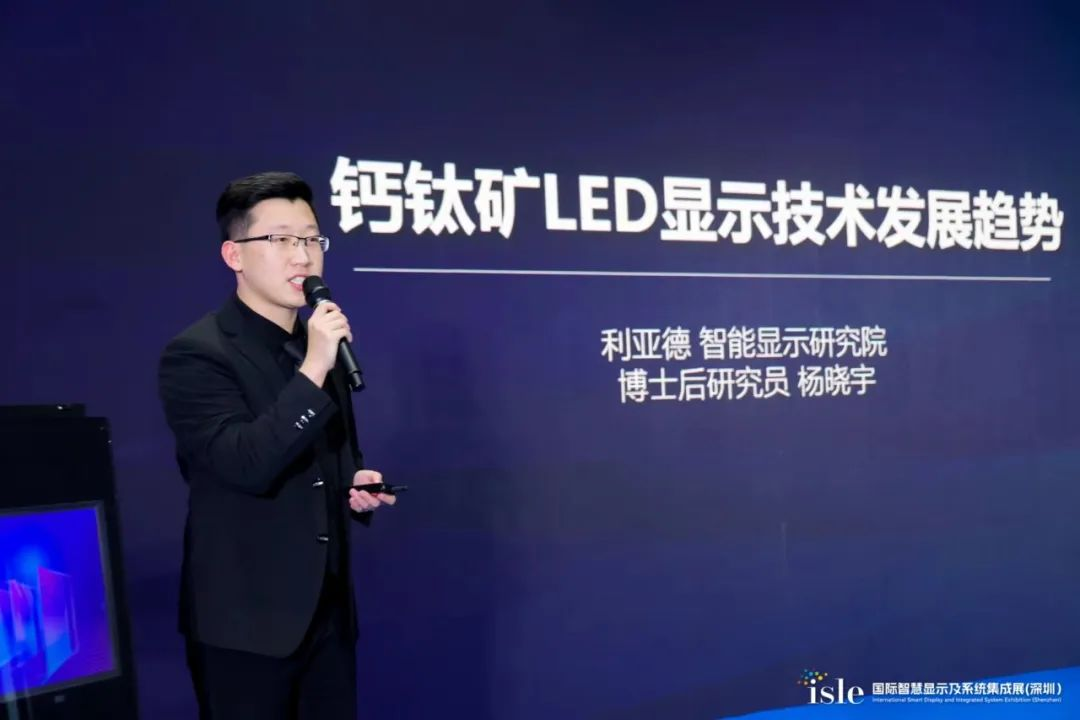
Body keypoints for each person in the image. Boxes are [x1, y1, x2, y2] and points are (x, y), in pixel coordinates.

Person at [158, 171, 394, 719]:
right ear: (234, 254)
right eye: (281, 239)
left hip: (327, 618)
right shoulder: (197, 354)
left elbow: (329, 457)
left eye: (311, 239)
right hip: (246, 627)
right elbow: (246, 463)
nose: (303, 257)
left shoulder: (316, 346)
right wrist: (315, 366)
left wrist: (354, 485)